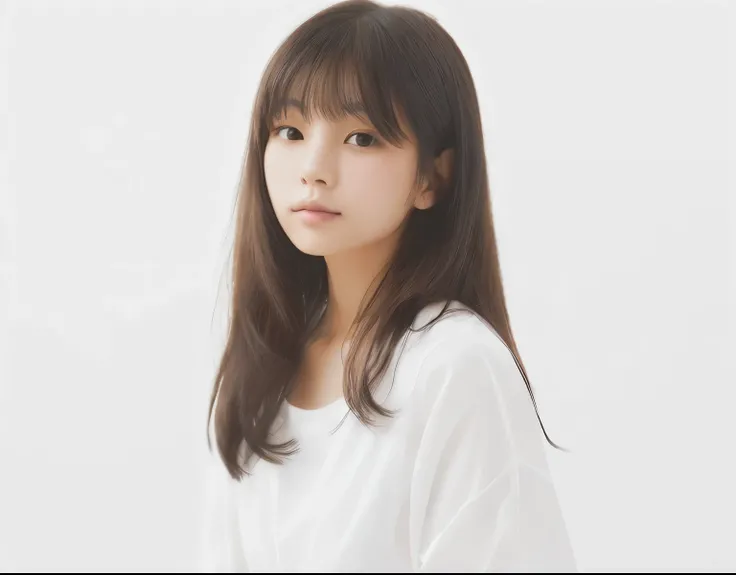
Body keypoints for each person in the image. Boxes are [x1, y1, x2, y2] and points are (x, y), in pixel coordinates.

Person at [200, 0, 578, 571]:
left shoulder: (453, 364)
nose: (314, 168)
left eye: (362, 138)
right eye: (291, 130)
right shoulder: (261, 366)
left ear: (433, 175)